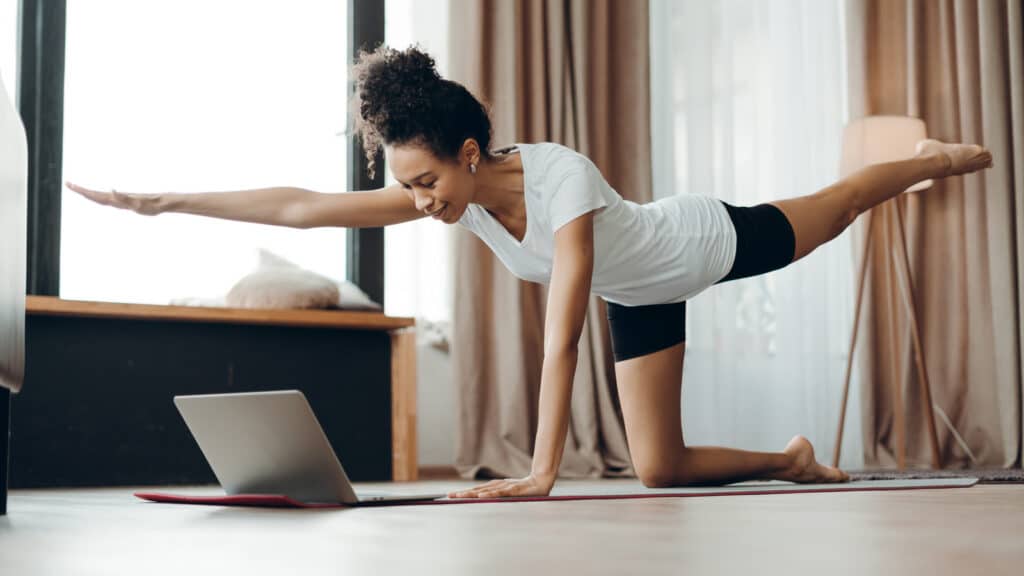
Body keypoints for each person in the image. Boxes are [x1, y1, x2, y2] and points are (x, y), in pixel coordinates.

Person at [67, 45, 994, 499]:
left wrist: (542, 471)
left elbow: (561, 339)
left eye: (426, 182)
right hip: (642, 292)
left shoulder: (563, 180)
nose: (418, 202)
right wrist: (168, 202)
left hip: (697, 242)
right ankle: (790, 459)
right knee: (659, 470)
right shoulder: (455, 195)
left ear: (469, 154)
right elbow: (305, 206)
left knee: (839, 207)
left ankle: (930, 161)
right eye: (408, 186)